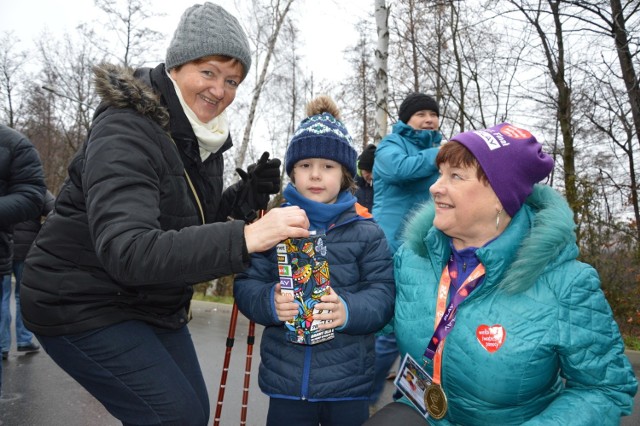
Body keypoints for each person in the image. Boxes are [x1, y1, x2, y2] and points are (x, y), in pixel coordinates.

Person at [19, 3, 309, 425]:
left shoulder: (201, 138)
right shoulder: (126, 129)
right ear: (176, 65)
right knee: (176, 415)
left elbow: (187, 221)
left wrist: (245, 195)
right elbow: (130, 249)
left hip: (150, 299)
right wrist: (249, 237)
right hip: (79, 301)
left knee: (190, 411)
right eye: (208, 72)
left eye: (232, 80)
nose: (219, 90)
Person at [366, 123, 638, 425]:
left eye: (455, 176)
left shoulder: (567, 284)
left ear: (500, 196)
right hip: (423, 413)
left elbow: (605, 388)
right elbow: (378, 316)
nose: (435, 187)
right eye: (441, 173)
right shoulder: (414, 257)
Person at [233, 95, 395, 426]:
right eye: (306, 166)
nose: (316, 175)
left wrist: (347, 309)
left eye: (328, 166)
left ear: (346, 174)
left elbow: (383, 294)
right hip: (287, 383)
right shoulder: (275, 224)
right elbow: (247, 283)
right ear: (292, 171)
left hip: (348, 384)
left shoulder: (367, 231)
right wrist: (270, 302)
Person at [370, 92, 443, 406]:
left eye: (433, 114)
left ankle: (410, 401)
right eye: (421, 114)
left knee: (422, 328)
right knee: (387, 327)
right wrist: (441, 155)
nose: (428, 119)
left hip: (426, 251)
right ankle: (360, 394)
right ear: (405, 119)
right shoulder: (390, 146)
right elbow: (400, 170)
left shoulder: (440, 153)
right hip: (390, 247)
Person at [0, 124, 46, 395]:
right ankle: (14, 342)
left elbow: (33, 196)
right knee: (15, 298)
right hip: (24, 250)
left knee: (13, 297)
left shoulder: (14, 146)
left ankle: (7, 344)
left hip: (16, 251)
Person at [1, 189, 54, 360]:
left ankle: (2, 344)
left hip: (3, 248)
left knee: (3, 296)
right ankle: (24, 339)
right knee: (22, 296)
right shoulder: (35, 188)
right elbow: (56, 210)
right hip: (27, 250)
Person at [355, 143, 376, 211]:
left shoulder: (380, 185)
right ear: (360, 170)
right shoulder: (349, 185)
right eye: (368, 171)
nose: (372, 176)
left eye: (374, 171)